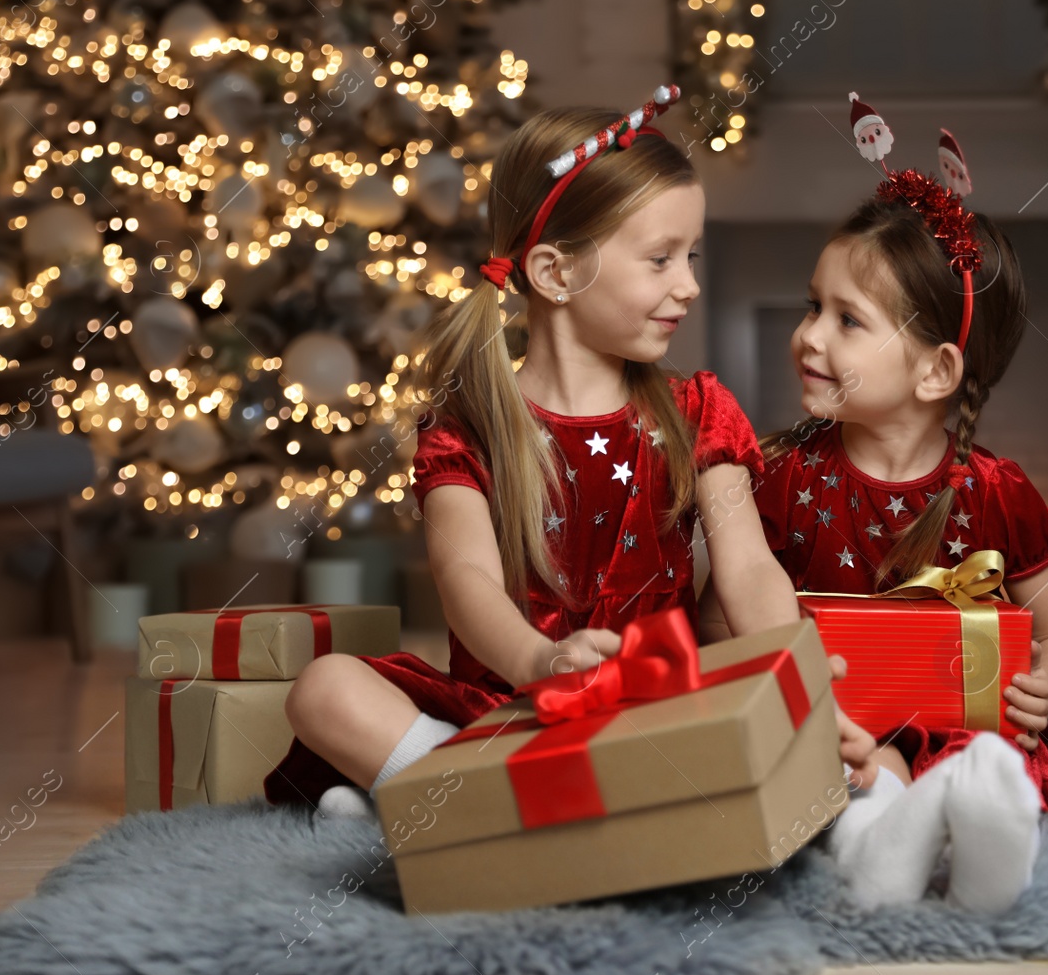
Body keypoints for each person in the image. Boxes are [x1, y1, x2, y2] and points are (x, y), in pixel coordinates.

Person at [266, 88, 879, 817]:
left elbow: (747, 567)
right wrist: (538, 662)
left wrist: (795, 676)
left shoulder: (697, 411)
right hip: (506, 711)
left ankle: (451, 812)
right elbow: (466, 579)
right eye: (659, 260)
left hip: (653, 708)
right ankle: (490, 801)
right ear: (556, 273)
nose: (687, 285)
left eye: (691, 256)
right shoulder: (468, 425)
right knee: (324, 688)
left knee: (782, 745)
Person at [704, 94, 1048, 914]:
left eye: (848, 320)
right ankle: (889, 839)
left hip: (953, 725)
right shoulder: (783, 476)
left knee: (994, 757)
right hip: (823, 719)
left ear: (935, 372)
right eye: (814, 306)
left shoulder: (994, 491)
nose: (809, 335)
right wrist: (789, 693)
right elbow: (716, 621)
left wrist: (1046, 684)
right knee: (799, 763)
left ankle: (978, 847)